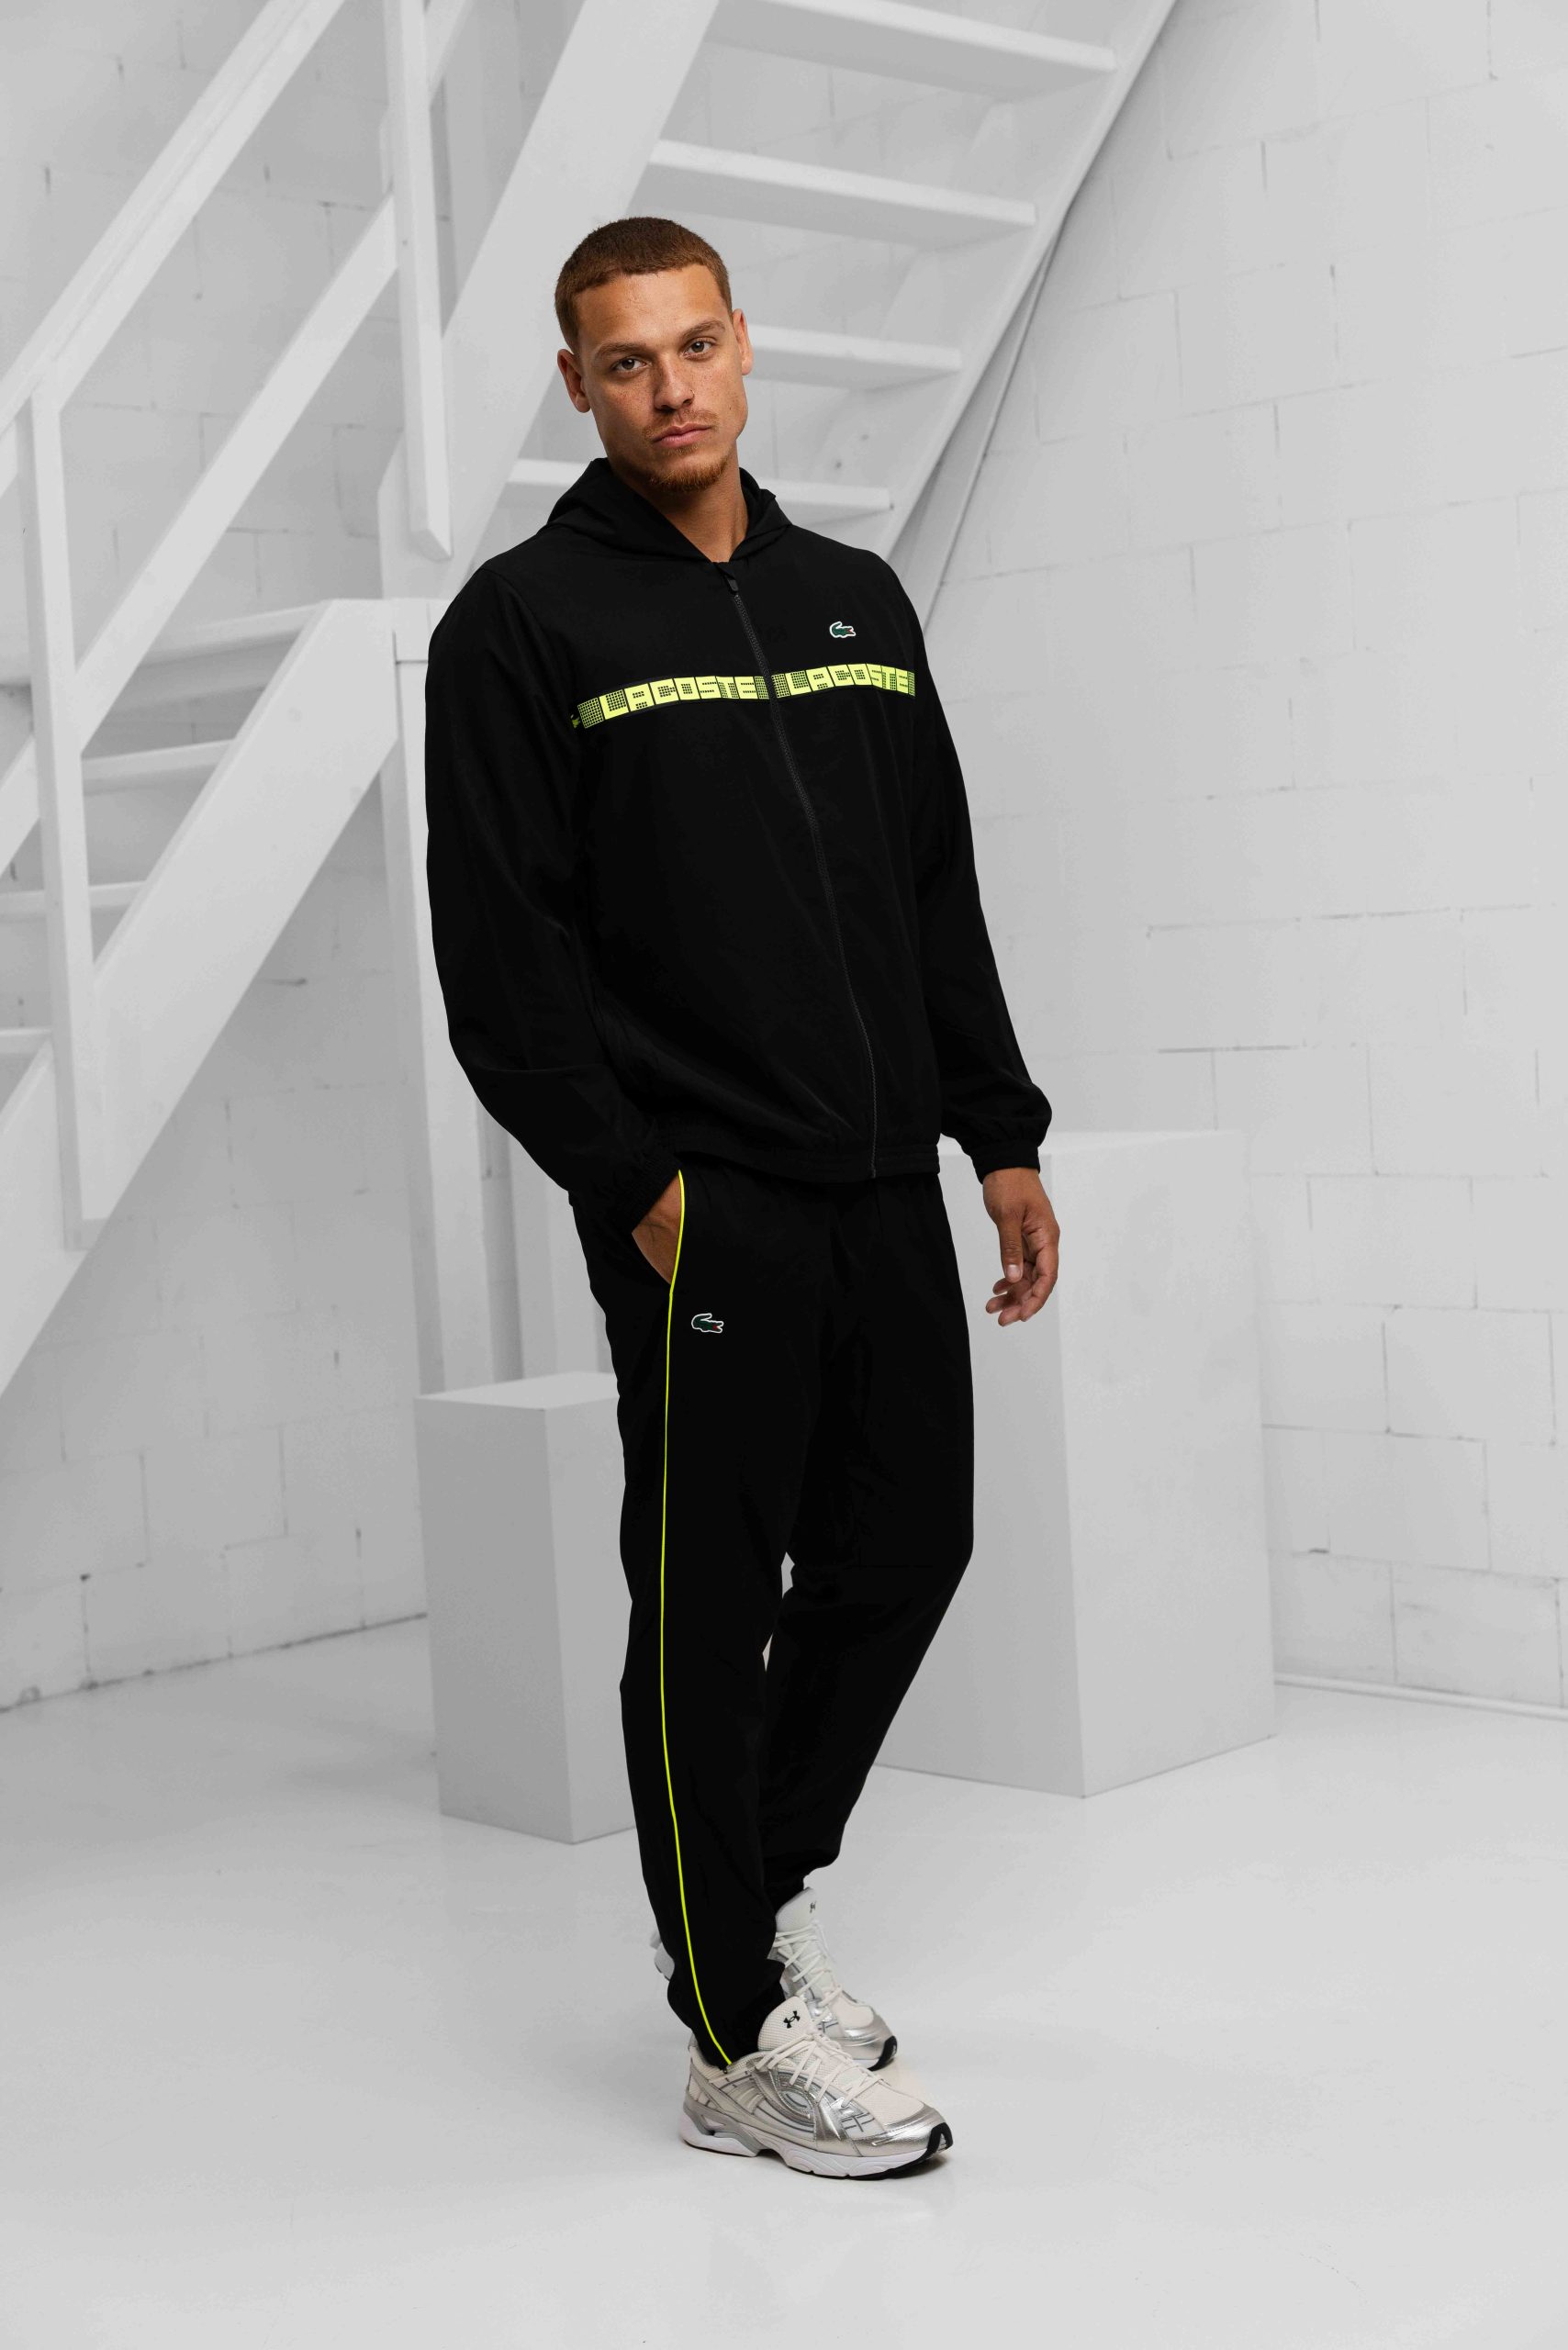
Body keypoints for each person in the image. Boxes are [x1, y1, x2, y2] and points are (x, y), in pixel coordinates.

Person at [423, 215, 1059, 2180]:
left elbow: (931, 888)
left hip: (882, 1180)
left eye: (694, 346)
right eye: (625, 362)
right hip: (707, 1208)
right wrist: (640, 1190)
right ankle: (727, 2038)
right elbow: (503, 962)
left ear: (742, 345)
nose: (669, 388)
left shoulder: (852, 598)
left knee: (913, 1542)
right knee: (708, 1603)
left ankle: (749, 1905)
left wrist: (998, 1129)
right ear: (577, 386)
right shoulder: (524, 625)